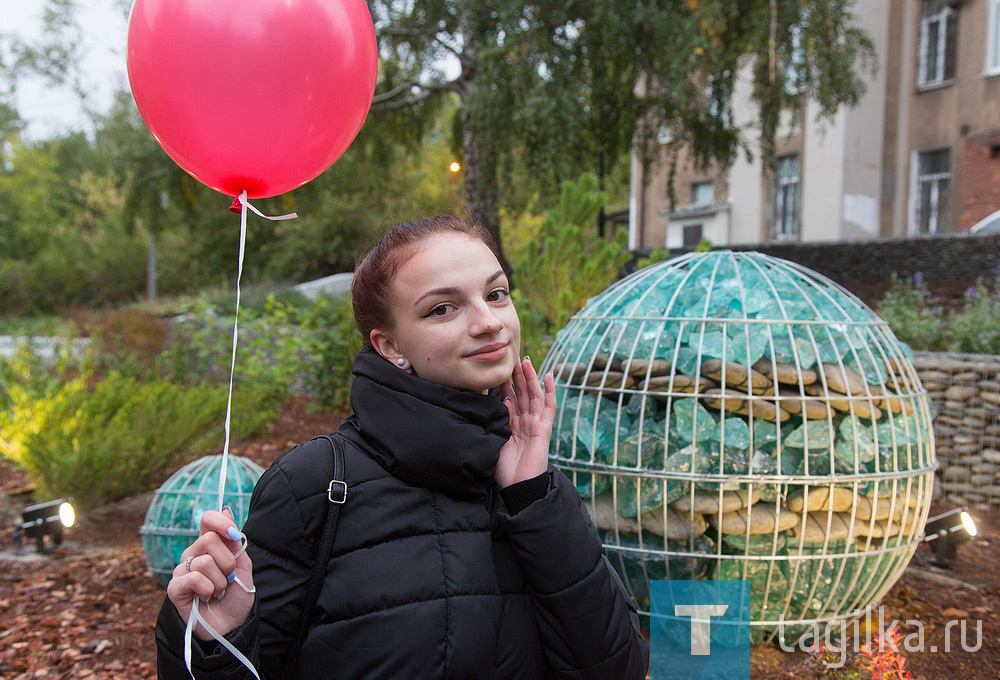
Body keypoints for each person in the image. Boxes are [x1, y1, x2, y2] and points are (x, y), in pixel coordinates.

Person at [155, 216, 650, 679]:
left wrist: (533, 498)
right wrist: (213, 638)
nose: (488, 322)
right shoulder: (312, 484)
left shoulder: (531, 479)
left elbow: (615, 668)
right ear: (390, 346)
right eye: (443, 308)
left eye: (496, 294)